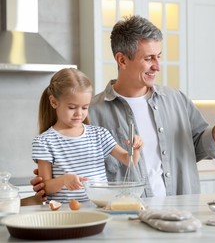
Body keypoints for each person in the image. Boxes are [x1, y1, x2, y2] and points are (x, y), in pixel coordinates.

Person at [31, 15, 215, 198]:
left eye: (159, 56)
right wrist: (50, 182)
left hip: (181, 214)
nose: (157, 66)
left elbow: (201, 148)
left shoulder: (176, 99)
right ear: (122, 60)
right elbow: (72, 165)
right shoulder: (91, 112)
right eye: (149, 58)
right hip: (126, 220)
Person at [32, 68, 143, 203]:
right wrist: (64, 180)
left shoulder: (99, 134)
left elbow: (129, 161)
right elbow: (46, 187)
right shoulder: (44, 142)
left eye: (84, 107)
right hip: (64, 213)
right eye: (72, 107)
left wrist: (135, 149)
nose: (79, 113)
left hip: (99, 208)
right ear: (54, 102)